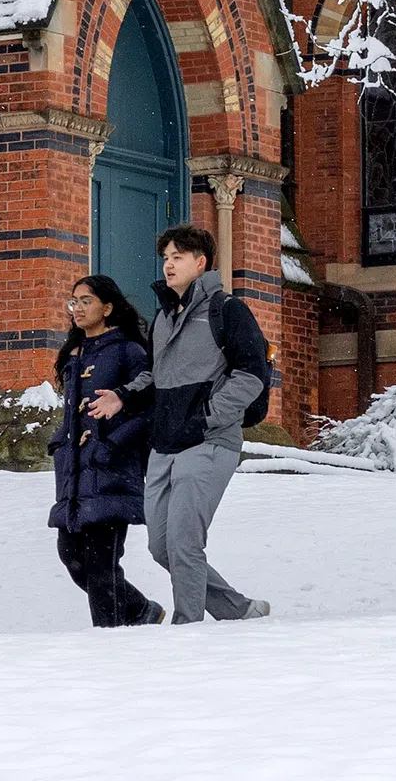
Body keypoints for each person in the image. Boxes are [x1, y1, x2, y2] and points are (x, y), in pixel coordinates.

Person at [126, 225, 275, 623]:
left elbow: (252, 375)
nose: (168, 264)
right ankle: (239, 610)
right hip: (165, 444)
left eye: (177, 256)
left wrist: (207, 417)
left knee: (184, 543)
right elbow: (155, 377)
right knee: (161, 547)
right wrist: (122, 395)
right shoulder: (162, 318)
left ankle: (187, 630)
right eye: (165, 257)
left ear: (200, 262)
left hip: (209, 442)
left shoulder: (227, 310)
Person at [50, 274, 165, 628]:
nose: (78, 308)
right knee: (71, 556)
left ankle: (110, 641)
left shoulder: (130, 350)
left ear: (108, 307)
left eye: (86, 300)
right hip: (75, 471)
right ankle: (141, 610)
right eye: (74, 301)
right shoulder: (74, 355)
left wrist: (112, 443)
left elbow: (149, 408)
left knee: (101, 565)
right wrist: (60, 445)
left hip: (113, 468)